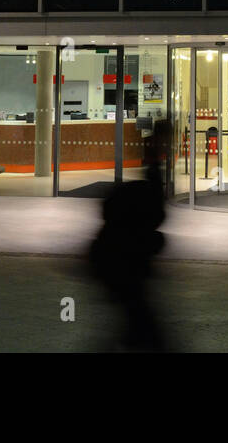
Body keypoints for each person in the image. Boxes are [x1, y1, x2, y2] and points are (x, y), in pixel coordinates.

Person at [88, 121, 173, 352]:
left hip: (115, 265)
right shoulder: (148, 193)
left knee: (134, 328)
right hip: (119, 266)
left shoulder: (147, 188)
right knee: (144, 328)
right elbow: (141, 232)